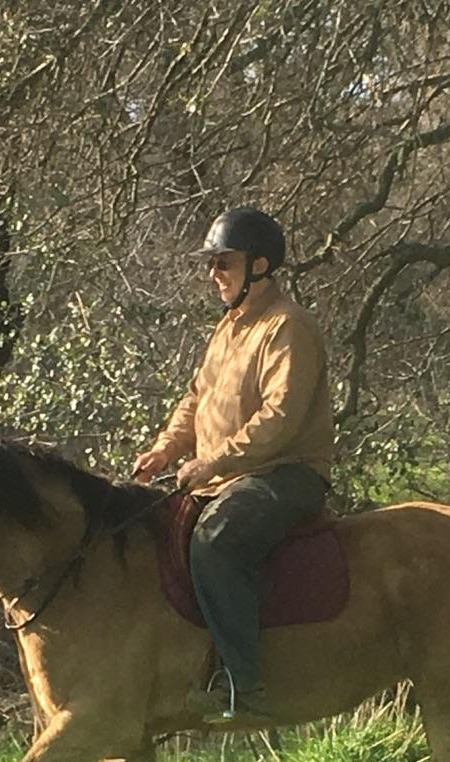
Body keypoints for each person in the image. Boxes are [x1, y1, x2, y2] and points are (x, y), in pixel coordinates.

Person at [133, 206, 335, 722]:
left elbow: (280, 418)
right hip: (229, 476)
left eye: (224, 262)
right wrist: (165, 449)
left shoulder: (288, 327)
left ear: (259, 265)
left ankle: (244, 687)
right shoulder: (228, 329)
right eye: (212, 263)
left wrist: (211, 461)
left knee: (215, 543)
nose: (213, 274)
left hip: (286, 473)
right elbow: (196, 399)